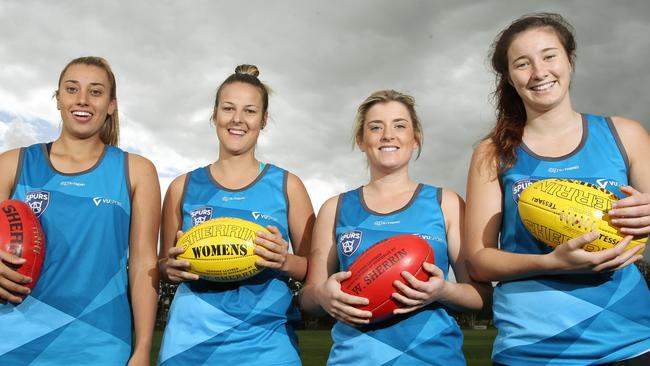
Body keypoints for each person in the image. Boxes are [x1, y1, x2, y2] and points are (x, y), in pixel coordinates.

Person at [465, 13, 650, 365]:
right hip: (533, 349)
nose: (539, 72)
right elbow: (478, 261)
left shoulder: (625, 134)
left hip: (629, 341)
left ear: (570, 60)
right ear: (509, 78)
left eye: (549, 56)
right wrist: (551, 262)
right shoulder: (493, 153)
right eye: (522, 63)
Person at [300, 90, 491, 365]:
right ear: (361, 140)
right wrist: (322, 294)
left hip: (435, 358)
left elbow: (481, 295)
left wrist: (443, 291)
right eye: (375, 127)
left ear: (415, 139)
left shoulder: (445, 203)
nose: (388, 135)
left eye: (400, 125)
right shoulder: (335, 208)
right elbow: (308, 298)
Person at [0, 56, 160, 365]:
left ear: (111, 104)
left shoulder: (136, 171)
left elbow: (143, 265)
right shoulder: (11, 164)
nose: (82, 99)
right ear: (58, 98)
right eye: (72, 89)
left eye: (96, 91)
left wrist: (142, 349)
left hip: (100, 343)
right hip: (12, 340)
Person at [157, 64, 314, 365]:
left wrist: (284, 260)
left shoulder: (288, 185)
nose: (237, 119)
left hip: (266, 344)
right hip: (189, 344)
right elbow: (164, 265)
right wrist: (170, 268)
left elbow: (313, 269)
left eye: (250, 111)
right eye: (228, 108)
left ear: (264, 119)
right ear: (215, 114)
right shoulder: (182, 186)